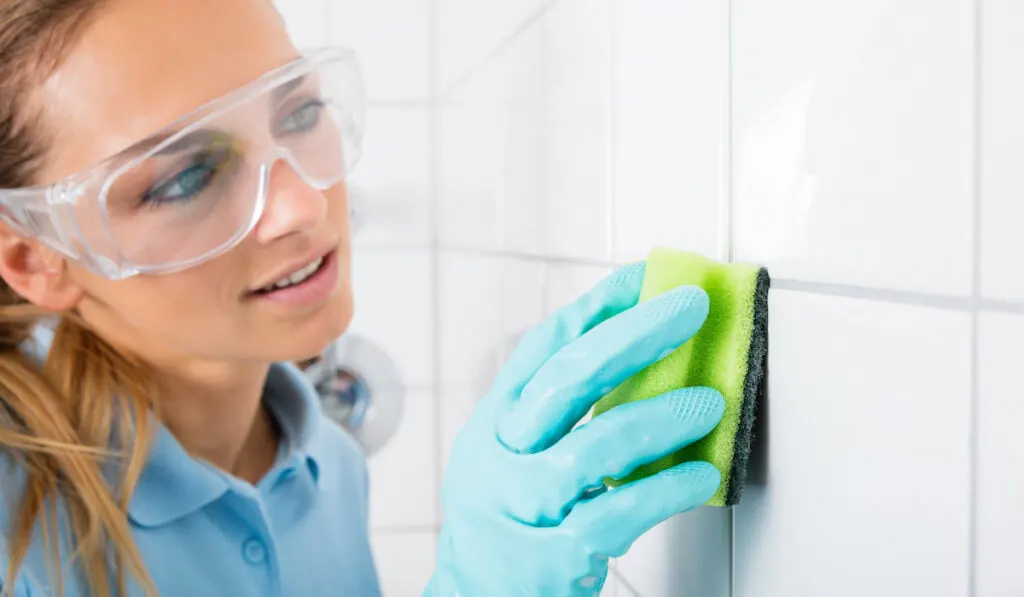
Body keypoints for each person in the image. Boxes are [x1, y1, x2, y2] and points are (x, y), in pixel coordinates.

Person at [0, 0, 727, 595]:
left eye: (299, 113)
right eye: (185, 179)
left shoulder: (327, 460)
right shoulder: (17, 535)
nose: (302, 206)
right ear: (36, 259)